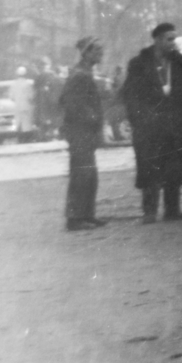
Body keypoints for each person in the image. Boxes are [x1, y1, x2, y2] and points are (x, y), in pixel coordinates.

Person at [120, 22, 182, 221]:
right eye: (170, 39)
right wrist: (140, 119)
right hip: (149, 126)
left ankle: (173, 210)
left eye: (174, 39)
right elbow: (130, 95)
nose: (173, 43)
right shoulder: (139, 63)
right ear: (157, 39)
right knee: (149, 167)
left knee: (174, 167)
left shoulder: (179, 63)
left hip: (174, 125)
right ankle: (150, 211)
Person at [59, 38, 107, 231]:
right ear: (86, 53)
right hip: (79, 131)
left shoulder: (84, 73)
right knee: (82, 174)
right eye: (96, 51)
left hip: (84, 131)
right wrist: (93, 117)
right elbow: (71, 104)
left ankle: (86, 214)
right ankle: (74, 218)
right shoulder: (79, 75)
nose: (100, 54)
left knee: (90, 174)